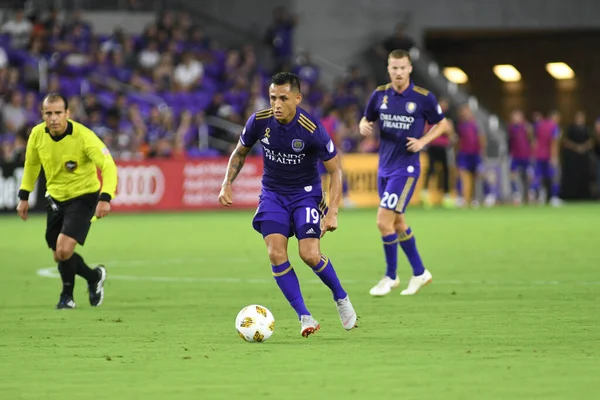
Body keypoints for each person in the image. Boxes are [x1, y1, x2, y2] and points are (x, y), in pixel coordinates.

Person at [218, 72, 357, 337]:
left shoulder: (311, 129)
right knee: (275, 253)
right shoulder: (259, 121)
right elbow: (240, 152)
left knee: (309, 254)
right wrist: (227, 182)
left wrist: (333, 212)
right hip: (272, 195)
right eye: (272, 98)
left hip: (306, 195)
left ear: (297, 98)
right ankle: (304, 317)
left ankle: (340, 297)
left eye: (283, 98)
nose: (276, 104)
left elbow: (336, 171)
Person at [359, 49, 450, 297]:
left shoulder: (423, 97)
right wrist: (364, 125)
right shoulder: (380, 94)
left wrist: (423, 142)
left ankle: (390, 276)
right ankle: (420, 272)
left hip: (406, 169)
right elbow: (366, 119)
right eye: (394, 67)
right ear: (389, 69)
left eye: (402, 67)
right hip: (384, 167)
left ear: (410, 68)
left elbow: (442, 123)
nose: (398, 72)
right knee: (397, 222)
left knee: (382, 221)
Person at [17, 93, 117, 309]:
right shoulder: (37, 134)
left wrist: (105, 197)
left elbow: (108, 165)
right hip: (55, 198)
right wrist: (24, 196)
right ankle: (93, 277)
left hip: (83, 196)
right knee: (58, 255)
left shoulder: (83, 136)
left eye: (58, 113)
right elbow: (31, 165)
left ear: (67, 114)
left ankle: (67, 297)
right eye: (49, 113)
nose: (53, 118)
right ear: (42, 114)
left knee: (63, 249)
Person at [421, 97, 455, 208]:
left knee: (445, 171)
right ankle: (425, 194)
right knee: (431, 170)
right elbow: (426, 131)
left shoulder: (447, 118)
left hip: (444, 147)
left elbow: (450, 133)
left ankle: (446, 196)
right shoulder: (431, 116)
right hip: (432, 146)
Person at [531, 110, 562, 206]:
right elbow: (554, 143)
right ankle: (554, 198)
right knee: (554, 177)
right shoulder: (554, 127)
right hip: (548, 156)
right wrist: (554, 157)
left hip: (538, 155)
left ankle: (536, 196)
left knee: (538, 176)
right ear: (555, 117)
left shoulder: (539, 125)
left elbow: (533, 139)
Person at [507, 109, 533, 205]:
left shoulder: (526, 127)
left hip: (526, 155)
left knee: (529, 176)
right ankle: (516, 194)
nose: (515, 118)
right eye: (513, 116)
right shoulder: (511, 128)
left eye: (517, 116)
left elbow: (531, 138)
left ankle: (530, 194)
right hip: (515, 155)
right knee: (512, 174)